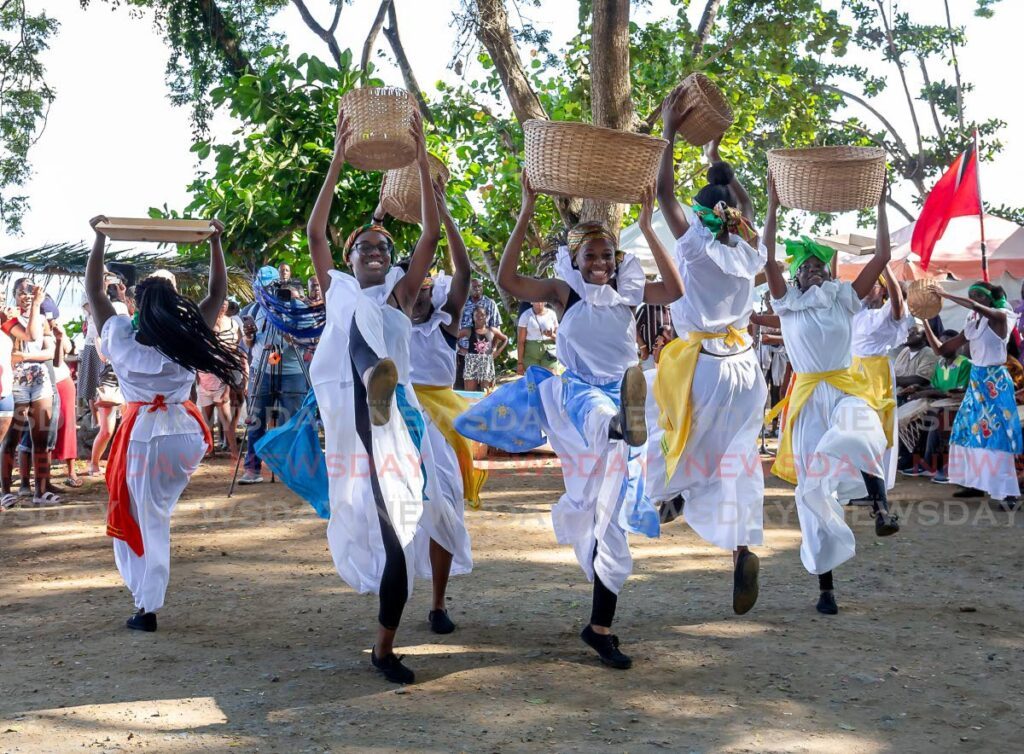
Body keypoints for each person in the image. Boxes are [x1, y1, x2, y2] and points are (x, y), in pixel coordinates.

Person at [457, 175, 682, 670]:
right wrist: (525, 207)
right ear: (575, 260)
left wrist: (647, 226)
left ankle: (600, 627)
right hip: (582, 397)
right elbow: (508, 281)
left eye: (607, 256)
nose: (601, 263)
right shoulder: (565, 293)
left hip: (623, 396)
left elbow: (676, 288)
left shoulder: (627, 291)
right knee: (604, 415)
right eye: (592, 257)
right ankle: (625, 423)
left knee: (612, 521)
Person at [307, 107, 451, 684]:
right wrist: (339, 157)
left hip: (399, 423)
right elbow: (317, 232)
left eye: (382, 246)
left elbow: (432, 233)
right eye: (364, 244)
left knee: (400, 538)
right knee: (364, 341)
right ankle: (374, 381)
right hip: (356, 417)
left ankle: (384, 649)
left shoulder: (400, 294)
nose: (374, 249)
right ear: (348, 258)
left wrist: (419, 157)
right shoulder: (338, 290)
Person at [86, 215, 241, 632]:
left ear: (136, 302)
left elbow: (95, 293)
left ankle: (147, 605)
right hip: (185, 436)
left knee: (148, 516)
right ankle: (146, 598)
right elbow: (216, 293)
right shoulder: (188, 333)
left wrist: (99, 239)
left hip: (146, 437)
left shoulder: (119, 333)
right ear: (175, 303)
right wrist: (215, 243)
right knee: (157, 508)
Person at [647, 94, 769, 615]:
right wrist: (722, 162)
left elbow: (661, 191)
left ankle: (667, 496)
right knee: (737, 458)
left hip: (706, 364)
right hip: (747, 366)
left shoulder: (695, 244)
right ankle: (741, 546)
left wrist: (671, 131)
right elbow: (745, 209)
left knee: (661, 428)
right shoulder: (750, 245)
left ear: (702, 215)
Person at [763, 177, 900, 616]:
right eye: (807, 265)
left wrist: (879, 202)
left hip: (844, 388)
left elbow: (882, 256)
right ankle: (826, 588)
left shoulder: (845, 299)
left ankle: (881, 509)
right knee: (815, 492)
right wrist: (772, 203)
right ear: (796, 275)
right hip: (807, 401)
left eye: (822, 264)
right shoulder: (786, 303)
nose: (816, 268)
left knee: (862, 429)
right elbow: (767, 257)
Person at [408, 180, 483, 632]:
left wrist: (443, 212)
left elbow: (465, 272)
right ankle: (393, 598)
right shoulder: (390, 322)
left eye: (423, 286)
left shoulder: (444, 323)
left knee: (446, 507)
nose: (417, 291)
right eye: (410, 284)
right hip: (398, 419)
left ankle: (437, 604)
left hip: (442, 423)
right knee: (396, 511)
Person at [933, 282, 1022, 507]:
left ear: (988, 299)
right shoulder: (974, 320)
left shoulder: (1002, 316)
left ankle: (1007, 491)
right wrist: (924, 319)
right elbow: (943, 349)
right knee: (967, 429)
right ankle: (974, 483)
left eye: (978, 297)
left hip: (996, 382)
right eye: (972, 296)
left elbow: (974, 305)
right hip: (977, 380)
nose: (974, 301)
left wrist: (944, 294)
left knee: (998, 434)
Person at [239, 279, 309, 484]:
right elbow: (249, 344)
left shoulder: (300, 310)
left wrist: (291, 336)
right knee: (255, 420)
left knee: (292, 422)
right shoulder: (257, 308)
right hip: (261, 370)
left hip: (292, 373)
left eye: (284, 293)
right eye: (274, 292)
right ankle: (252, 469)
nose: (279, 296)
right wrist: (249, 335)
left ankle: (291, 470)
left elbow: (307, 341)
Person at [850, 266, 908, 490]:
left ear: (883, 290)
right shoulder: (857, 310)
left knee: (874, 430)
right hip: (853, 372)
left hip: (876, 375)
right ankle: (856, 485)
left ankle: (875, 486)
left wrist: (884, 266)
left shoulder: (887, 314)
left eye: (872, 284)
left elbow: (898, 302)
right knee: (853, 429)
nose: (865, 289)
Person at [3, 279, 58, 505]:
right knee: (11, 439)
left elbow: (50, 352)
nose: (27, 295)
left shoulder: (43, 319)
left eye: (31, 291)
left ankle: (40, 491)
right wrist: (35, 306)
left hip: (40, 381)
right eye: (21, 292)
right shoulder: (7, 317)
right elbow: (31, 335)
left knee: (41, 438)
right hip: (16, 383)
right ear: (14, 294)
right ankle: (5, 490)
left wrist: (24, 357)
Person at [0, 298, 43, 510]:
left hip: (5, 392)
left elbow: (30, 336)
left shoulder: (5, 322)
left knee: (3, 441)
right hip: (10, 389)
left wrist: (35, 305)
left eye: (0, 296)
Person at [196, 299, 242, 459]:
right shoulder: (204, 323)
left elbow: (238, 348)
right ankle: (210, 449)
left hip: (223, 374)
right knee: (207, 416)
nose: (222, 305)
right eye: (219, 302)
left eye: (225, 302)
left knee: (226, 415)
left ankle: (234, 450)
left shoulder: (233, 323)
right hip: (204, 374)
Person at [50, 321, 81, 488]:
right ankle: (42, 478)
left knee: (68, 425)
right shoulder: (22, 328)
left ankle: (71, 471)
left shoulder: (56, 330)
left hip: (62, 380)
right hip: (39, 384)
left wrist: (60, 336)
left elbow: (67, 350)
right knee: (41, 429)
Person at [457, 278, 502, 387]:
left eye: (479, 286)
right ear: (468, 289)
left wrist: (494, 349)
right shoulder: (461, 305)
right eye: (474, 287)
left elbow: (496, 329)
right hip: (465, 354)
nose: (477, 289)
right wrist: (459, 349)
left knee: (486, 392)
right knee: (464, 392)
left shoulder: (490, 304)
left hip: (484, 355)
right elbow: (455, 330)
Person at [460, 305, 508, 391]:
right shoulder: (468, 330)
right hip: (472, 362)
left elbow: (505, 339)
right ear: (473, 317)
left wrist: (497, 351)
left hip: (487, 362)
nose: (480, 317)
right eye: (477, 315)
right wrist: (460, 349)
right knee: (470, 393)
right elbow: (453, 337)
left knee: (487, 393)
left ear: (486, 316)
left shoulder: (492, 330)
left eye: (482, 315)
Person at [516, 301, 558, 373]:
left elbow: (559, 339)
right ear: (531, 302)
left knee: (550, 378)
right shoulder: (525, 315)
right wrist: (520, 363)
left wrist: (551, 335)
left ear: (545, 302)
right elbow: (521, 341)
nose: (539, 303)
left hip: (549, 351)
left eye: (541, 300)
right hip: (531, 353)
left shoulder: (552, 314)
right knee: (534, 380)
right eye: (536, 300)